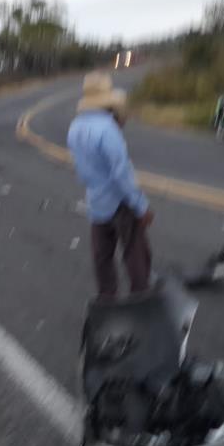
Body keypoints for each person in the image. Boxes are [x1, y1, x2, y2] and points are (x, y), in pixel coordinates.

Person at [67, 72, 154, 299]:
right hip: (119, 202)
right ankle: (141, 298)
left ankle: (107, 300)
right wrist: (141, 206)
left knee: (102, 256)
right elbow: (121, 172)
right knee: (135, 252)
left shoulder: (75, 128)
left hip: (95, 202)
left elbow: (81, 168)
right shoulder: (108, 129)